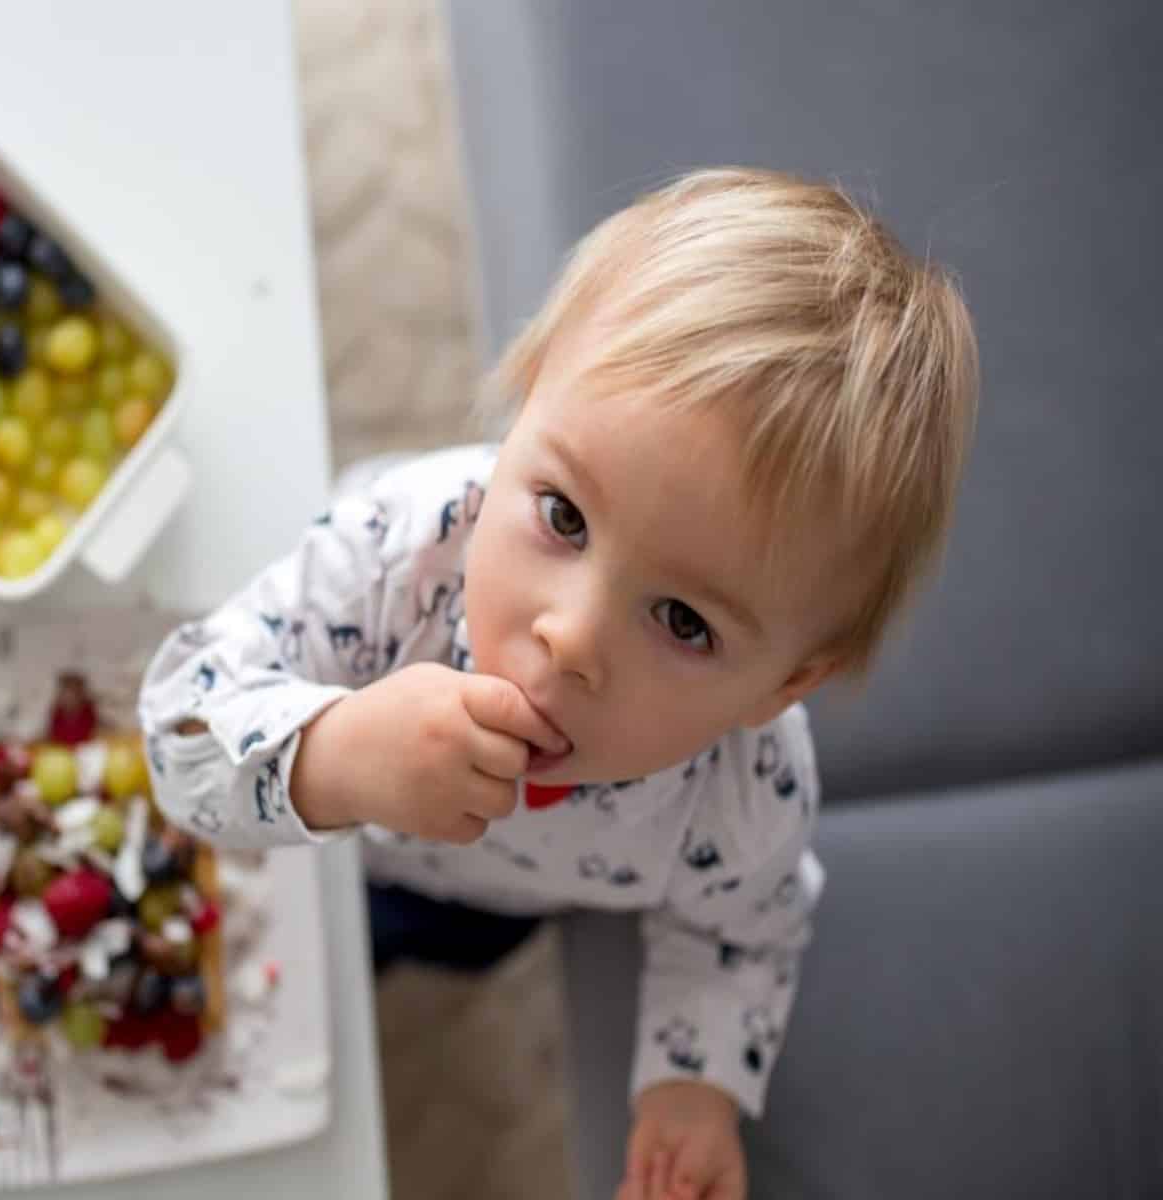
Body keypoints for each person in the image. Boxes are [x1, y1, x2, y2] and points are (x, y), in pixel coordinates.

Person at [139, 168, 978, 1200]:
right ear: (525, 403)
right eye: (564, 517)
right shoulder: (398, 553)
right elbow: (178, 730)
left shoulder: (749, 793)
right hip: (302, 760)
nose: (570, 637)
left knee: (407, 952)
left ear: (782, 687)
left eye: (684, 621)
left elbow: (742, 927)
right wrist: (337, 755)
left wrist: (693, 1085)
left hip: (487, 900)